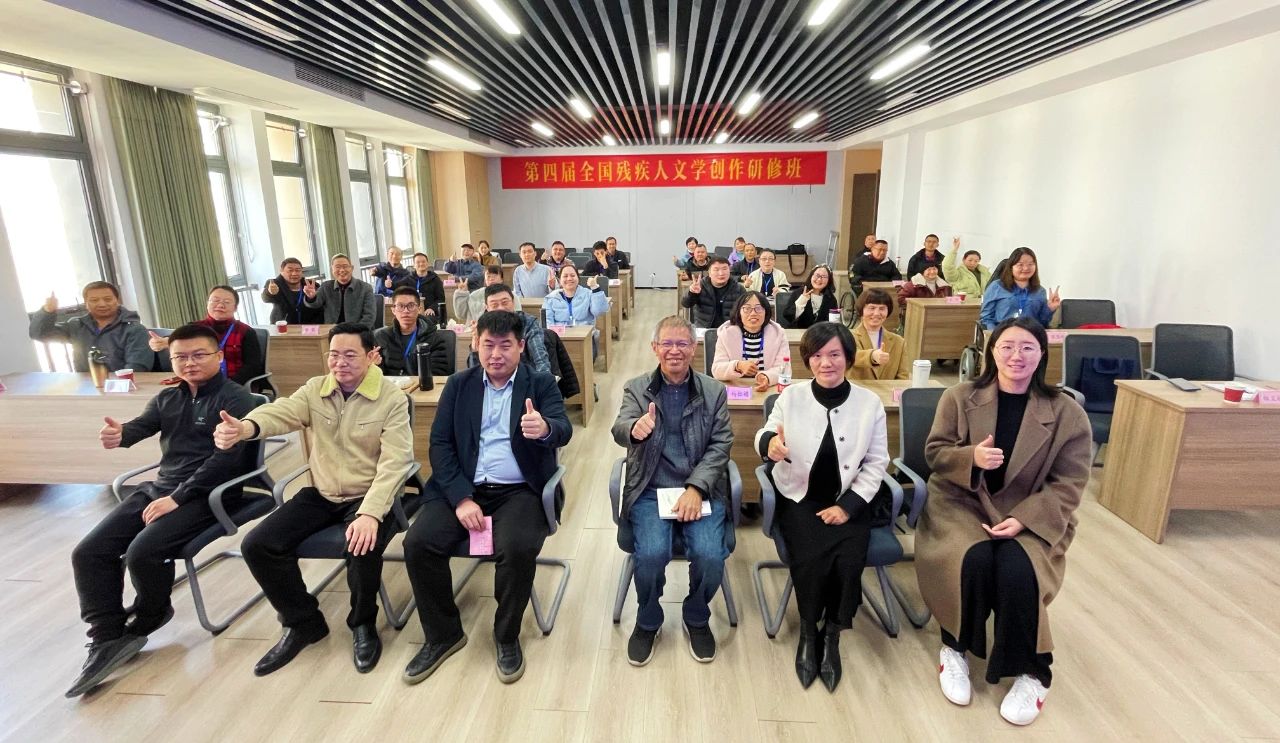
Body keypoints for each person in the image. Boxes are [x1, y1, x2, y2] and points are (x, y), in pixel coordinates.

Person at [65, 323, 258, 698]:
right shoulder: (168, 397)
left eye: (199, 355)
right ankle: (106, 636)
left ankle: (151, 613)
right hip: (160, 489)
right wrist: (120, 434)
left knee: (143, 552)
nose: (190, 363)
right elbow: (139, 427)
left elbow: (227, 462)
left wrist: (179, 497)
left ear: (219, 356)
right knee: (88, 552)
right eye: (180, 357)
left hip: (211, 494)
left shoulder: (235, 400)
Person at [915, 317, 1091, 726]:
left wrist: (1024, 519)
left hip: (1032, 509)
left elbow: (1069, 483)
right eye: (1007, 346)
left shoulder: (1067, 413)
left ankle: (1034, 670)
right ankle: (955, 647)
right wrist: (971, 458)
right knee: (972, 559)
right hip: (963, 502)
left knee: (1018, 568)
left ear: (1042, 354)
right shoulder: (959, 397)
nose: (1016, 356)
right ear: (991, 351)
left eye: (1027, 347)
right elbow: (936, 453)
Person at [213, 323, 414, 677]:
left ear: (372, 356)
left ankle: (362, 624)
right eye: (334, 355)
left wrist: (370, 513)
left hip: (368, 494)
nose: (340, 363)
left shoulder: (391, 398)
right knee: (258, 545)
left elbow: (395, 462)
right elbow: (280, 413)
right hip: (321, 492)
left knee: (361, 546)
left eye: (350, 355)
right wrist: (245, 427)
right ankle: (303, 621)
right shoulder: (315, 389)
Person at [401, 310, 572, 685]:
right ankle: (443, 634)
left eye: (505, 345)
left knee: (516, 547)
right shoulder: (459, 385)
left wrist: (545, 428)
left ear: (521, 346)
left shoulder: (540, 383)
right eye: (488, 345)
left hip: (520, 490)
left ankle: (506, 636)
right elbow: (440, 445)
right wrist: (462, 498)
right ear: (475, 343)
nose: (496, 354)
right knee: (418, 543)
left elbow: (563, 428)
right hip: (463, 488)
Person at [755, 321, 889, 691]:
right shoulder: (791, 397)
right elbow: (765, 432)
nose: (825, 363)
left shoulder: (869, 404)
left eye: (834, 355)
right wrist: (770, 445)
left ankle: (832, 635)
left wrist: (848, 506)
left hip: (849, 498)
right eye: (816, 356)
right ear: (807, 360)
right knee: (811, 556)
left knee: (848, 558)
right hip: (800, 495)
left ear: (848, 357)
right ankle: (807, 632)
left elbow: (877, 463)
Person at [611, 315, 732, 666]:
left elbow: (721, 444)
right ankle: (648, 619)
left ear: (694, 348)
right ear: (655, 348)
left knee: (711, 555)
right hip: (651, 488)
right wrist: (634, 429)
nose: (674, 350)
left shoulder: (714, 391)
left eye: (682, 343)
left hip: (699, 488)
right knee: (650, 554)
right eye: (667, 343)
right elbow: (619, 427)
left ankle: (697, 615)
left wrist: (696, 487)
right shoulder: (637, 388)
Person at [149, 285, 264, 387]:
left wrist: (229, 386)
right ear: (207, 304)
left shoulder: (245, 331)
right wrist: (163, 341)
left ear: (235, 308)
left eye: (227, 302)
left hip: (233, 386)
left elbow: (253, 366)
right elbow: (177, 338)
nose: (220, 305)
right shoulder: (195, 327)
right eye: (215, 300)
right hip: (198, 385)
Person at [29, 280, 152, 373]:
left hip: (122, 388)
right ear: (86, 304)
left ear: (117, 301)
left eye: (107, 299)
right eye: (94, 300)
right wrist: (47, 312)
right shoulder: (77, 326)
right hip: (86, 387)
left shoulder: (134, 329)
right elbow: (39, 334)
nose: (102, 304)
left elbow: (137, 368)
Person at [465, 284, 552, 376]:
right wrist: (475, 344)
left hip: (526, 378)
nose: (501, 308)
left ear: (513, 303)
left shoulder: (528, 323)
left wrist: (544, 380)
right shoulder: (483, 327)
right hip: (493, 380)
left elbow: (540, 358)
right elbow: (474, 371)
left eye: (505, 303)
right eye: (494, 305)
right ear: (487, 308)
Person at [711, 292, 789, 392]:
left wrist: (767, 377)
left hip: (767, 390)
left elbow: (784, 368)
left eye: (758, 308)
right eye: (747, 308)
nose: (753, 313)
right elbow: (717, 369)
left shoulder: (778, 334)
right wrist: (738, 366)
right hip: (736, 390)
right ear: (739, 312)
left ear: (766, 312)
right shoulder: (726, 334)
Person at [373, 288, 452, 377]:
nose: (406, 311)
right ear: (393, 310)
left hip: (421, 385)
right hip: (391, 385)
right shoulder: (381, 337)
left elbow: (438, 373)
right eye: (400, 306)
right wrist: (375, 366)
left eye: (411, 306)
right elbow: (378, 375)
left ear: (419, 309)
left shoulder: (433, 337)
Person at [980, 247, 1061, 330]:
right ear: (1011, 267)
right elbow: (987, 318)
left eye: (1030, 264)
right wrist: (995, 334)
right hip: (1003, 334)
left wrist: (1050, 309)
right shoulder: (997, 287)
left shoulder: (1040, 291)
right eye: (1020, 265)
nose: (1026, 268)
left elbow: (1042, 322)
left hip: (1030, 334)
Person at [545, 264, 610, 356]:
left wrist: (595, 287)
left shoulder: (588, 294)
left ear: (578, 278)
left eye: (572, 275)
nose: (569, 279)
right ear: (559, 280)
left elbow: (600, 311)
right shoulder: (551, 298)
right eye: (565, 276)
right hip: (560, 340)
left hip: (585, 339)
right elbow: (548, 322)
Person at [849, 289, 910, 381]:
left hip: (887, 390)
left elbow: (903, 377)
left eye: (882, 308)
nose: (877, 313)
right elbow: (851, 357)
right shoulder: (848, 336)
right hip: (858, 389)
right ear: (862, 310)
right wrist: (872, 356)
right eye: (872, 308)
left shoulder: (899, 342)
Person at [304, 254, 379, 327]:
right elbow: (315, 304)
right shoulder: (326, 286)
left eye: (345, 266)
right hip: (331, 331)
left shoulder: (365, 288)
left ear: (352, 268)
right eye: (337, 267)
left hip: (358, 331)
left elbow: (369, 317)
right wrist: (311, 298)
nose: (342, 270)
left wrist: (356, 331)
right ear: (332, 269)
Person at [681, 256, 744, 329]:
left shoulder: (738, 288)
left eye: (724, 269)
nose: (721, 273)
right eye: (716, 270)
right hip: (704, 328)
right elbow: (686, 304)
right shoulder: (700, 286)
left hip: (730, 329)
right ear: (709, 273)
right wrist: (692, 293)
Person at [262, 257, 324, 324]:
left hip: (309, 325)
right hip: (284, 325)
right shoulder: (275, 284)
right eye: (290, 270)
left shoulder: (311, 284)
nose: (294, 273)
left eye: (298, 270)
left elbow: (319, 304)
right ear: (281, 271)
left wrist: (312, 298)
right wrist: (270, 293)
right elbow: (266, 299)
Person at [783, 264, 838, 329]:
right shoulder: (799, 293)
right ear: (811, 276)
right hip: (799, 332)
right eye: (817, 275)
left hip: (821, 333)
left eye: (824, 277)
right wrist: (802, 300)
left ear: (829, 280)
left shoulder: (830, 298)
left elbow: (833, 323)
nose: (819, 279)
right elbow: (788, 316)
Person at [395, 251, 447, 318]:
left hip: (430, 312)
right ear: (414, 265)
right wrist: (389, 285)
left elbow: (441, 299)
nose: (421, 264)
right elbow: (396, 286)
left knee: (427, 319)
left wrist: (432, 308)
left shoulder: (435, 279)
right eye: (418, 262)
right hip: (412, 311)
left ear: (427, 264)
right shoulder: (409, 278)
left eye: (423, 262)